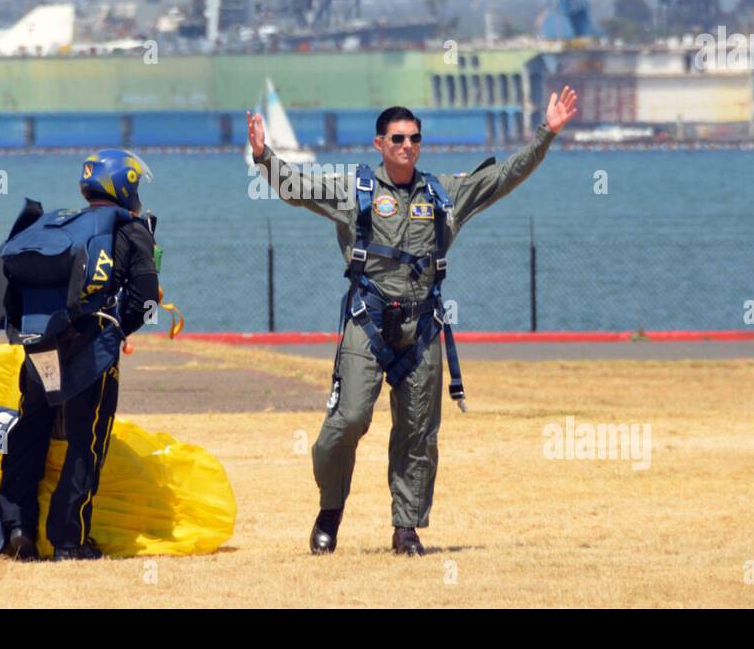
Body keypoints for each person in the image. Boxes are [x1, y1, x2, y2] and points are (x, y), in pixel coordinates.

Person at [248, 87, 578, 556]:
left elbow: (504, 177)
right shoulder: (352, 190)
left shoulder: (445, 193)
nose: (407, 146)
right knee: (349, 419)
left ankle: (406, 527)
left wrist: (547, 133)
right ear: (380, 144)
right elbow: (299, 188)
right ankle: (330, 510)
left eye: (415, 138)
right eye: (398, 138)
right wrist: (264, 156)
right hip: (368, 322)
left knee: (418, 431)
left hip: (422, 328)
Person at [0, 148, 160, 560]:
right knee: (85, 442)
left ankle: (18, 527)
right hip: (89, 351)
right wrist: (118, 330)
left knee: (31, 430)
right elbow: (146, 299)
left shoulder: (59, 222)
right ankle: (69, 541)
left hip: (38, 345)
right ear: (125, 185)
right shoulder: (130, 229)